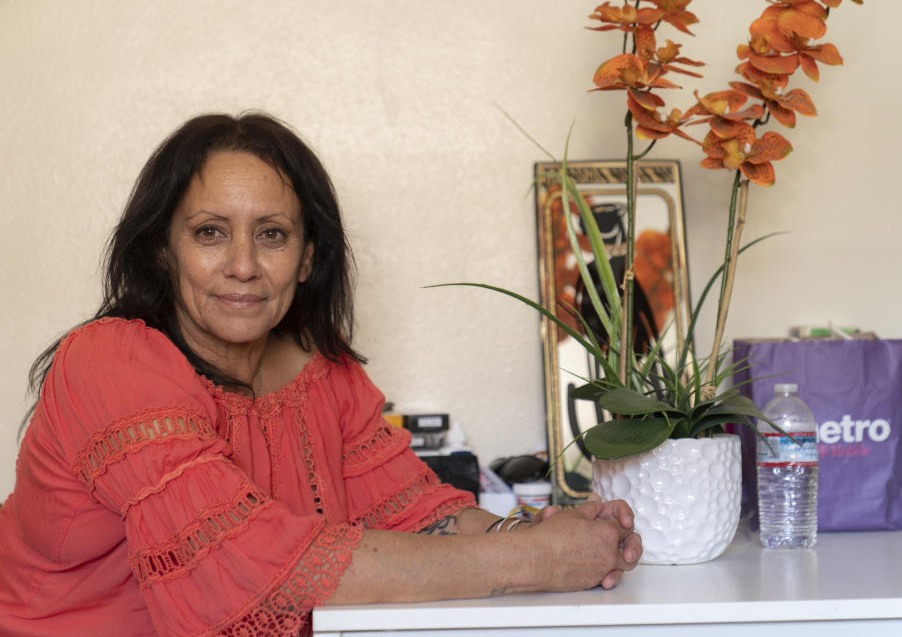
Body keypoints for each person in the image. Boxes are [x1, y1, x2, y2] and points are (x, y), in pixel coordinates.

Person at [0, 113, 642, 637]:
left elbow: (415, 514)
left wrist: (547, 529)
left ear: (307, 258)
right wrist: (536, 561)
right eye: (211, 233)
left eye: (272, 235)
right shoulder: (109, 362)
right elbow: (240, 569)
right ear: (163, 251)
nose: (244, 265)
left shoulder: (323, 374)